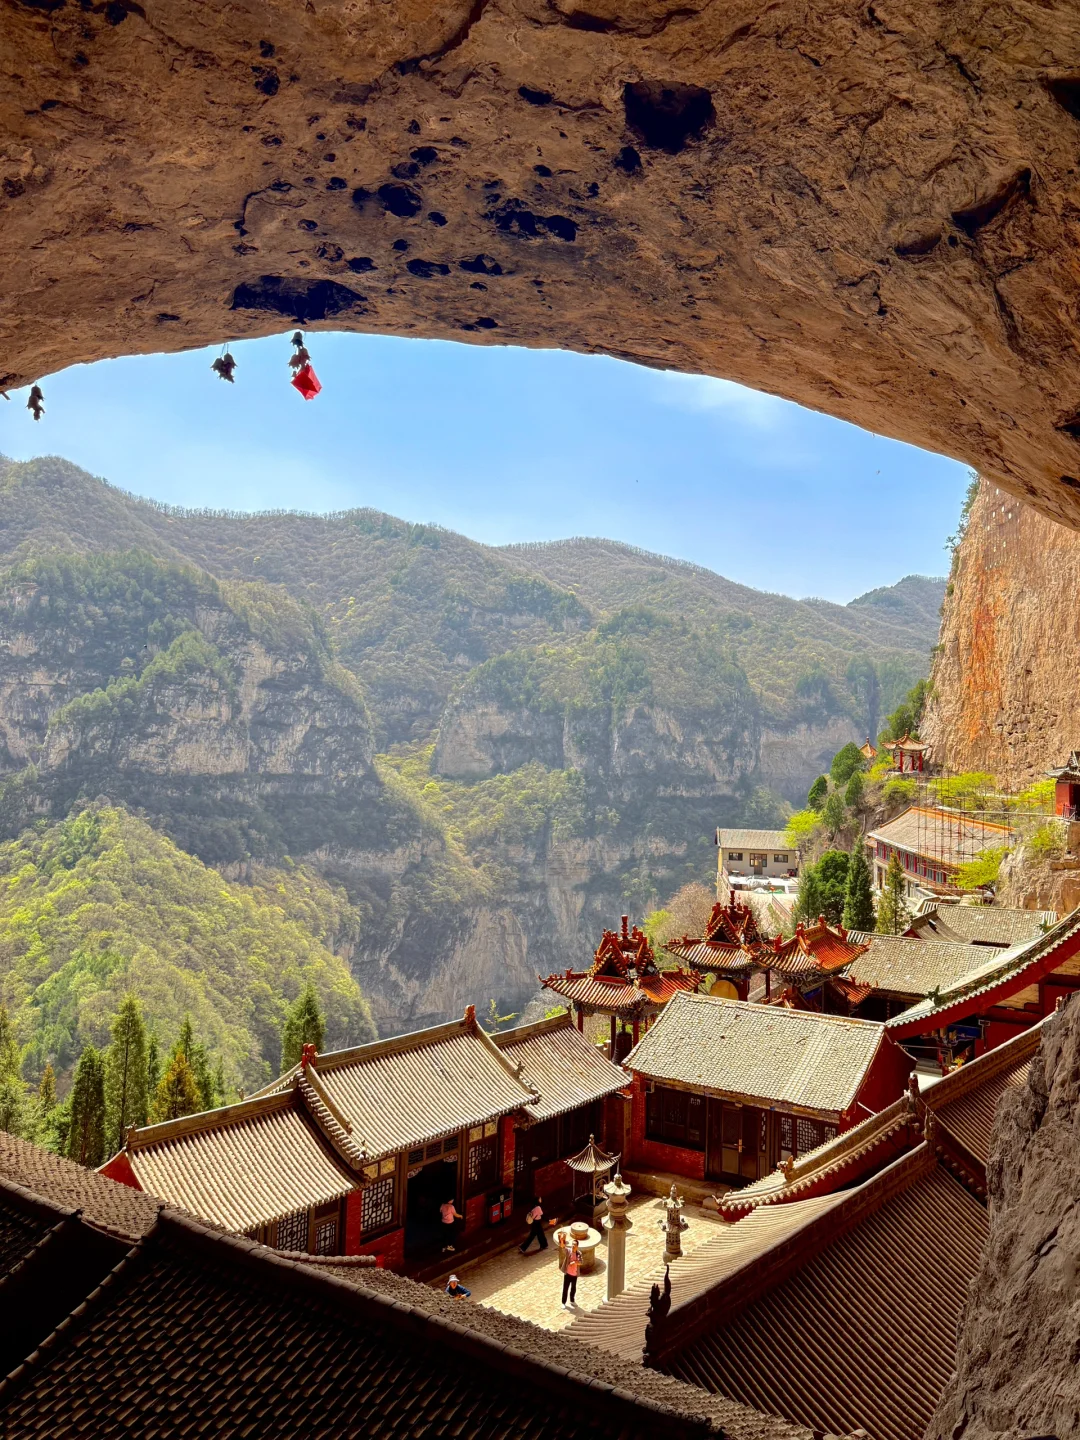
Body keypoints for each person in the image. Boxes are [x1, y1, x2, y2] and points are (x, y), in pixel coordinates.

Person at [561, 1239, 582, 1310]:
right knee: (565, 1288)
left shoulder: (578, 1253)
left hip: (574, 1275)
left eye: (575, 1244)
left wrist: (574, 1262)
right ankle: (563, 1303)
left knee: (573, 1288)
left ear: (577, 1246)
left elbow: (580, 1262)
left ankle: (572, 1301)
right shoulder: (569, 1251)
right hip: (568, 1274)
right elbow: (563, 1247)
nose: (573, 1246)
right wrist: (562, 1241)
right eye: (572, 1244)